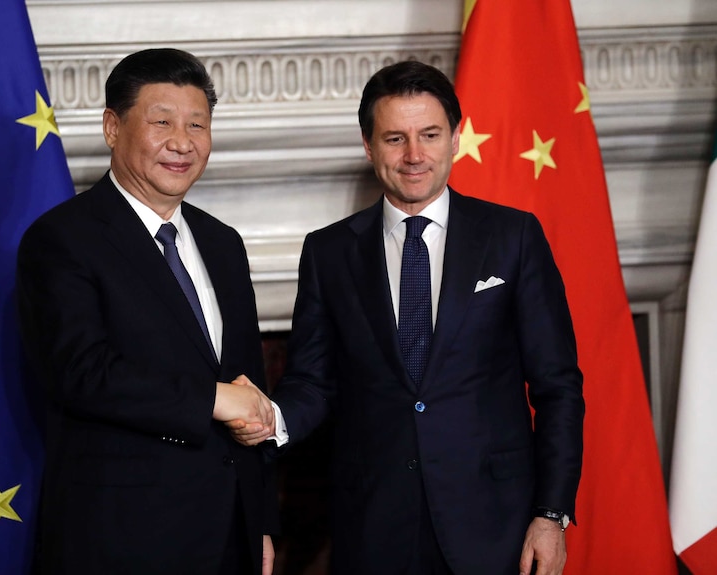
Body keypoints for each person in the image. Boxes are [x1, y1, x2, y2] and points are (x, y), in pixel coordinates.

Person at [229, 60, 584, 575]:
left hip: (496, 524)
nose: (414, 155)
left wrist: (550, 514)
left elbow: (558, 387)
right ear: (369, 146)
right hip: (374, 525)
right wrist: (272, 419)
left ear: (455, 138)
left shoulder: (513, 237)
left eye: (430, 135)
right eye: (395, 138)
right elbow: (312, 381)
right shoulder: (328, 252)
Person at [16, 48, 277, 575]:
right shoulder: (62, 238)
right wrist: (213, 399)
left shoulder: (223, 243)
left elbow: (250, 388)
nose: (182, 142)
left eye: (197, 125)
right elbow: (81, 373)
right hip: (121, 541)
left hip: (229, 535)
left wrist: (261, 522)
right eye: (162, 122)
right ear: (113, 127)